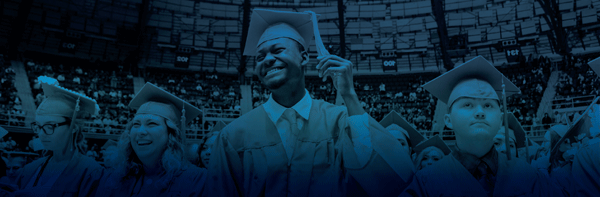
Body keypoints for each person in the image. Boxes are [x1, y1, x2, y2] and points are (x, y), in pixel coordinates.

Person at [205, 9, 415, 197]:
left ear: (304, 57)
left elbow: (386, 179)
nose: (267, 59)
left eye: (277, 50)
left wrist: (350, 95)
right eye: (260, 57)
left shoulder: (340, 122)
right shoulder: (233, 136)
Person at [401, 56, 559, 196]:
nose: (480, 112)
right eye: (468, 104)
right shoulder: (425, 183)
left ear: (500, 119)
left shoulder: (529, 176)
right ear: (448, 120)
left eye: (488, 105)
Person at [95, 83, 207, 196]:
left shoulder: (199, 180)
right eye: (136, 124)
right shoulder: (116, 178)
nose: (140, 131)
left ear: (171, 134)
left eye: (152, 123)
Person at [11, 76, 104, 196]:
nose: (41, 133)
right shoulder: (30, 169)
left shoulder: (91, 172)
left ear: (73, 128)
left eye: (50, 126)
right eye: (38, 126)